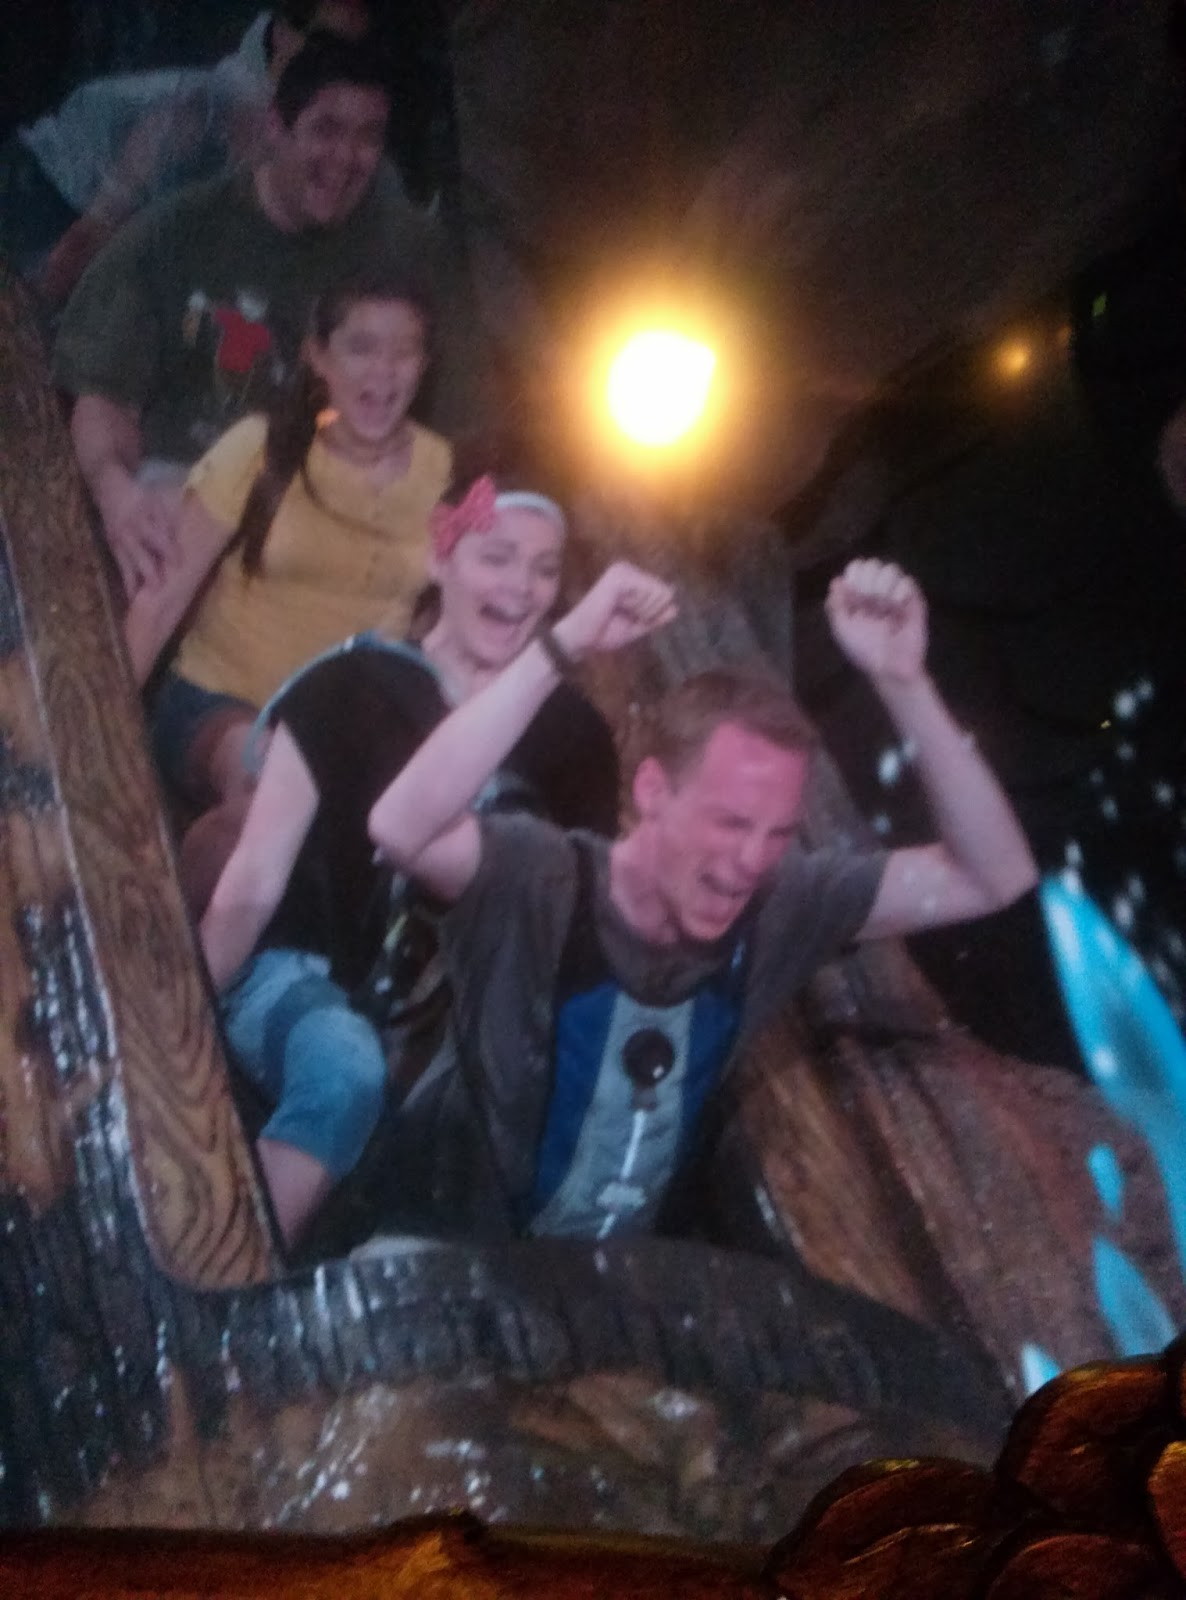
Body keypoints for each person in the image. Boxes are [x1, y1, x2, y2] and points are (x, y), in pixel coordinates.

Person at [367, 557, 1040, 1242]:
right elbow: (399, 826)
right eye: (730, 823)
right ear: (652, 791)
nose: (751, 860)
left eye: (778, 833)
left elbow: (996, 876)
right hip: (435, 1246)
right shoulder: (537, 877)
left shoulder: (782, 906)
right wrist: (561, 645)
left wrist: (904, 682)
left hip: (601, 1278)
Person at [199, 472, 620, 1248]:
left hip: (451, 1028)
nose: (521, 587)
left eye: (544, 570)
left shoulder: (577, 740)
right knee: (344, 1070)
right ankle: (227, 1274)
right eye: (497, 558)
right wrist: (184, 1017)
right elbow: (255, 874)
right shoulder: (350, 683)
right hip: (296, 974)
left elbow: (571, 928)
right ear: (440, 558)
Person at [52, 32, 446, 599]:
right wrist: (120, 498)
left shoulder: (406, 249)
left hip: (325, 522)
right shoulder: (176, 235)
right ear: (276, 127)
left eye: (367, 138)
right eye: (326, 129)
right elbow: (103, 397)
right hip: (176, 503)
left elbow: (451, 432)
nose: (345, 158)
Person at [123, 273, 450, 873]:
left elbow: (442, 619)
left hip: (349, 730)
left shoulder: (441, 471)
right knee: (268, 800)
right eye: (361, 347)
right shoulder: (259, 448)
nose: (383, 371)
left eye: (404, 351)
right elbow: (161, 600)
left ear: (424, 365)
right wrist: (99, 737)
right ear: (317, 356)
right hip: (222, 700)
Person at [0, 3, 374, 312]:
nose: (335, 68)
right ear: (282, 34)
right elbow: (81, 243)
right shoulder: (198, 112)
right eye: (326, 46)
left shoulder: (325, 161)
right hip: (33, 216)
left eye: (352, 58)